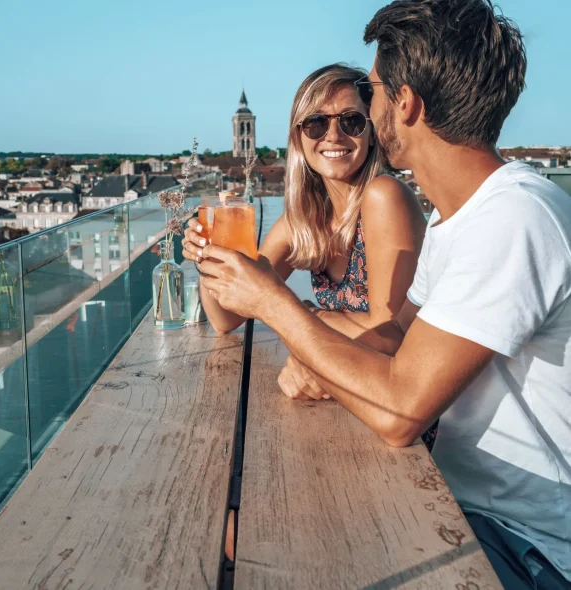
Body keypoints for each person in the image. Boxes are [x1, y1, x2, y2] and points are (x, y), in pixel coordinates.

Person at [198, 1, 571, 588]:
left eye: (367, 95)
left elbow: (400, 410)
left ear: (405, 104)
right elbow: (399, 344)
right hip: (463, 502)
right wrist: (319, 354)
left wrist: (277, 305)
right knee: (255, 537)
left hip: (524, 545)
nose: (359, 115)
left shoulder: (514, 217)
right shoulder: (461, 220)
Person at [183, 64, 425, 340]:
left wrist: (304, 314)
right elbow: (226, 319)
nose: (333, 135)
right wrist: (208, 255)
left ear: (371, 133)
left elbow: (390, 337)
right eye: (316, 123)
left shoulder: (385, 195)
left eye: (351, 121)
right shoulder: (306, 219)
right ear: (298, 137)